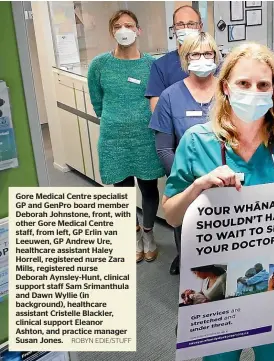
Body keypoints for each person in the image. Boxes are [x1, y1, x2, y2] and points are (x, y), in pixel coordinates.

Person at [161, 42, 274, 361]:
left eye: (263, 85)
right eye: (243, 84)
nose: (254, 92)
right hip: (218, 293)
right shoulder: (197, 142)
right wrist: (198, 187)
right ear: (225, 87)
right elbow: (172, 216)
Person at [87, 10, 165, 264]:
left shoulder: (151, 65)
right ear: (112, 31)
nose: (124, 30)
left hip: (145, 137)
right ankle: (133, 236)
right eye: (118, 26)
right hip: (113, 138)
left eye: (129, 25)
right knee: (121, 190)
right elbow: (97, 101)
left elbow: (157, 100)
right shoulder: (99, 64)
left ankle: (149, 234)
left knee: (148, 188)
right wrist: (116, 119)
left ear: (138, 30)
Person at [149, 31, 219, 274]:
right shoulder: (170, 96)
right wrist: (189, 182)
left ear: (216, 56)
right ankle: (187, 260)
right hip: (185, 181)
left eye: (207, 53)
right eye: (195, 54)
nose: (202, 58)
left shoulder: (228, 92)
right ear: (185, 58)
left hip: (225, 181)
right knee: (187, 230)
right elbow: (164, 148)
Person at [145, 5, 203, 275]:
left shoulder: (220, 69)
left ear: (201, 25)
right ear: (173, 29)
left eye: (191, 23)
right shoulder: (163, 67)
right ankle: (184, 256)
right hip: (180, 163)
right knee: (183, 216)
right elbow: (160, 116)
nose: (185, 28)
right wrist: (182, 172)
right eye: (180, 24)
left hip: (219, 166)